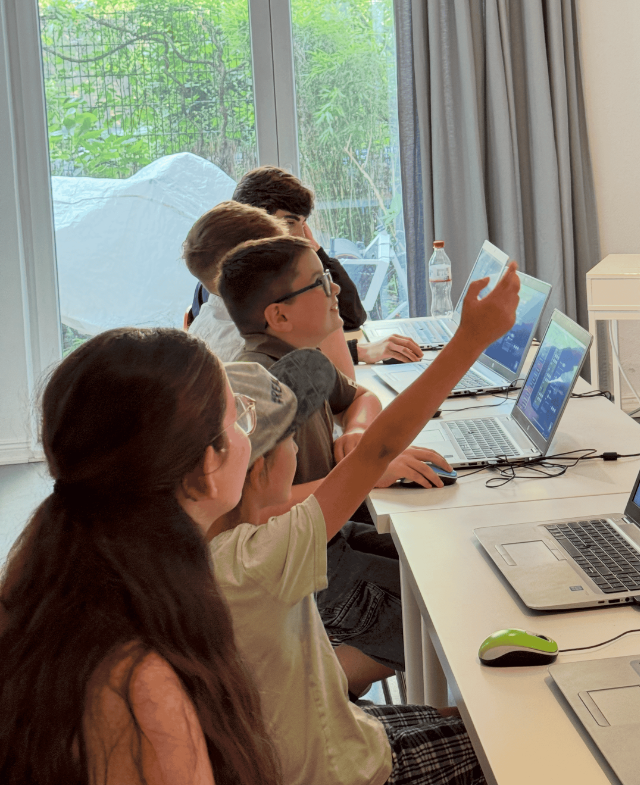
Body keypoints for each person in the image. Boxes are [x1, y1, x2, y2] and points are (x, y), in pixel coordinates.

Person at [208, 260, 520, 785]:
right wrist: (471, 339)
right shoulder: (257, 559)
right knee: (515, 738)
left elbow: (368, 434)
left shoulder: (208, 545)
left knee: (469, 717)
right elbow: (378, 449)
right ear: (256, 471)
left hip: (331, 738)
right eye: (289, 439)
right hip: (346, 771)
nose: (300, 444)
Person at [0, 327, 281, 785]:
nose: (245, 435)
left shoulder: (41, 591)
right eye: (237, 418)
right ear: (207, 467)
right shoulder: (140, 689)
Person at [217, 234, 450, 695]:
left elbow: (361, 396)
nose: (336, 288)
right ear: (279, 316)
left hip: (332, 537)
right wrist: (360, 474)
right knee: (440, 615)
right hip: (301, 563)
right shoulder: (258, 392)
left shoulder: (308, 363)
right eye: (320, 282)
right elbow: (254, 512)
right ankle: (303, 696)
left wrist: (356, 434)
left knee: (437, 565)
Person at [183, 200, 357, 378]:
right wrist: (324, 309)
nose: (334, 288)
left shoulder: (208, 320)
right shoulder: (260, 357)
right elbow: (346, 386)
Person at [188, 165, 368, 335]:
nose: (301, 235)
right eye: (289, 222)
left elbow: (351, 316)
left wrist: (316, 250)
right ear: (256, 222)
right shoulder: (234, 283)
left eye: (303, 224)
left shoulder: (271, 271)